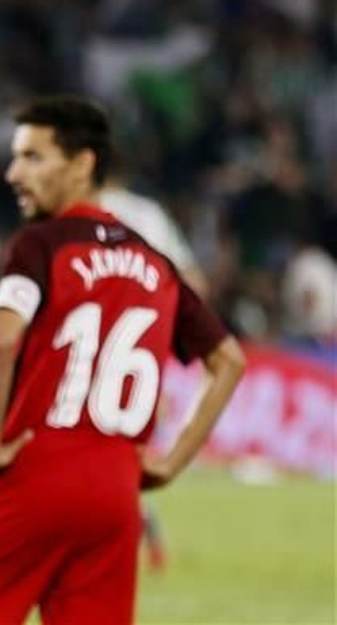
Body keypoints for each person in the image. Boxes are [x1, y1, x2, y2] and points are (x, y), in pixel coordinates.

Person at [0, 96, 247, 625]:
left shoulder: (40, 246)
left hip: (32, 476)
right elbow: (229, 360)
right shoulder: (157, 261)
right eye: (15, 157)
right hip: (115, 495)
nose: (14, 173)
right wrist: (170, 463)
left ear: (83, 164)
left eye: (33, 158)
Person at [96, 174, 209, 572]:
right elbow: (192, 280)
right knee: (119, 450)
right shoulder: (147, 215)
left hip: (92, 348)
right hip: (137, 349)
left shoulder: (72, 211)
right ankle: (139, 527)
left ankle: (129, 530)